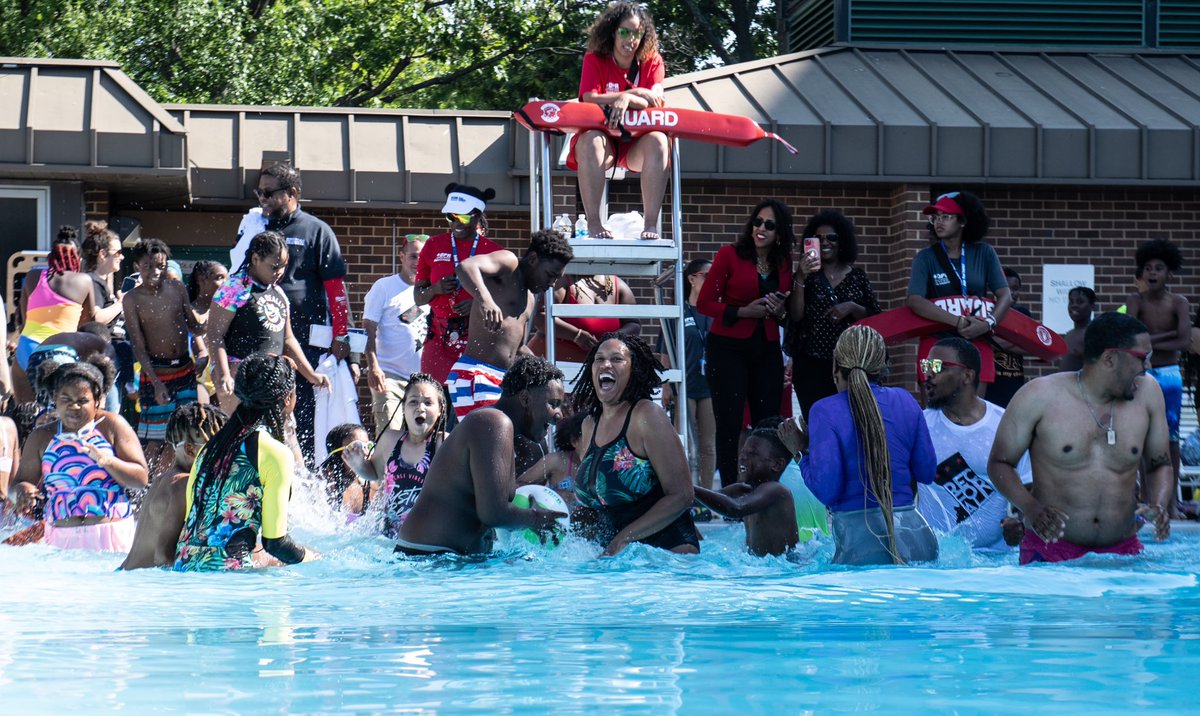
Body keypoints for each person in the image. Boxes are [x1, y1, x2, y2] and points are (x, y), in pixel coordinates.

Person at [989, 312, 1172, 564]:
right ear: (1110, 358)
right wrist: (1031, 508)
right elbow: (999, 463)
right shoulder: (1039, 396)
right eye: (1143, 358)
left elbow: (1160, 464)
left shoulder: (1149, 393)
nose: (1148, 367)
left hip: (1123, 551)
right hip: (1050, 550)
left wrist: (1159, 505)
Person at [777, 325, 939, 565]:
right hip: (917, 537)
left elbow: (827, 491)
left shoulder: (825, 410)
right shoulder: (906, 400)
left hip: (861, 545)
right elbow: (926, 472)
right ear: (884, 367)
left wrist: (801, 452)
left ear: (835, 366)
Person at [396, 356, 567, 556]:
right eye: (553, 404)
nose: (559, 415)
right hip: (427, 559)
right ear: (525, 399)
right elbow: (494, 514)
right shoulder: (494, 422)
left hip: (442, 558)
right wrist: (536, 519)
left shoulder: (496, 425)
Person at [174, 353, 317, 571]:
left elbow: (197, 529)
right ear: (288, 397)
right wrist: (315, 558)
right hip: (230, 578)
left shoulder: (208, 450)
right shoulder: (276, 453)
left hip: (183, 568)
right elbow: (276, 543)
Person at [255, 161, 354, 462]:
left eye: (269, 193)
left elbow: (336, 290)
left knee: (304, 418)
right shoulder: (255, 227)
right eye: (259, 193)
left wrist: (343, 337)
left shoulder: (316, 230)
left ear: (292, 193)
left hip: (307, 345)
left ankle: (305, 476)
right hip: (265, 341)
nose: (262, 199)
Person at [571, 334, 700, 555]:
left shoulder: (647, 415)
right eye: (599, 359)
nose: (606, 364)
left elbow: (682, 495)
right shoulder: (589, 424)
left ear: (634, 369)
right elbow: (602, 502)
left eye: (617, 359)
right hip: (618, 554)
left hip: (666, 552)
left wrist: (623, 539)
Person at [696, 199, 793, 487]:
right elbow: (705, 303)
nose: (761, 228)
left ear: (780, 232)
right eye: (757, 222)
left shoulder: (783, 263)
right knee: (729, 422)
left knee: (769, 421)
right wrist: (741, 311)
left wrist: (781, 308)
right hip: (728, 346)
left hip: (767, 345)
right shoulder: (729, 255)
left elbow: (788, 308)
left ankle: (766, 489)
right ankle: (731, 489)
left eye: (769, 225)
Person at [8, 356, 148, 551]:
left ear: (97, 401)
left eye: (82, 401)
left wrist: (108, 461)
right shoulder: (41, 436)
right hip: (61, 539)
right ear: (54, 399)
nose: (74, 407)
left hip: (110, 535)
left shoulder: (111, 426)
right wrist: (22, 490)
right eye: (66, 400)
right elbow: (16, 485)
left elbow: (141, 479)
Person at [919, 337, 1032, 551]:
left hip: (997, 560)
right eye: (927, 365)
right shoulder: (919, 426)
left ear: (967, 376)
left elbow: (1028, 486)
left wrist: (1019, 522)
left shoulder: (1005, 424)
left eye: (938, 367)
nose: (929, 374)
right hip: (936, 559)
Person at [449, 229, 574, 419]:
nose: (552, 283)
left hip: (500, 379)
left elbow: (518, 349)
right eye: (550, 274)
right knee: (490, 433)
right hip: (476, 374)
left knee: (511, 434)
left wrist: (549, 373)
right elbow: (466, 266)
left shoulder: (530, 299)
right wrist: (485, 300)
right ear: (533, 259)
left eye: (557, 278)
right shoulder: (510, 263)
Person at [572, 1, 668, 240]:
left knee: (659, 141)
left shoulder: (652, 60)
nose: (631, 39)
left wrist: (627, 98)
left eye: (637, 33)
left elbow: (655, 99)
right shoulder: (595, 58)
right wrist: (633, 95)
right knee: (591, 140)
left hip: (636, 144)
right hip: (603, 144)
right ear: (613, 31)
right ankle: (594, 224)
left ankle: (651, 224)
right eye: (625, 32)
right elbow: (589, 97)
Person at [206, 231, 329, 415]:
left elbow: (288, 340)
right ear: (255, 259)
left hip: (273, 377)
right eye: (274, 266)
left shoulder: (278, 293)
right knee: (242, 430)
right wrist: (223, 373)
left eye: (284, 266)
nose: (279, 272)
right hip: (240, 378)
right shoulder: (234, 288)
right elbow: (215, 334)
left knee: (282, 431)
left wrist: (311, 375)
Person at [906, 191, 1012, 389]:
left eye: (946, 217)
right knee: (933, 401)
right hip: (934, 342)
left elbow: (1005, 295)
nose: (939, 222)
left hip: (977, 339)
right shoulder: (925, 257)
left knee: (975, 404)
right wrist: (957, 321)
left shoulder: (985, 252)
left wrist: (988, 324)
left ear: (962, 221)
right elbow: (915, 300)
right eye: (935, 217)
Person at [787, 209, 880, 419]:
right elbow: (795, 315)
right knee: (817, 420)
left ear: (842, 241)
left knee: (851, 420)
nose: (825, 242)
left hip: (850, 365)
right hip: (811, 363)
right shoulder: (806, 278)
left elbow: (875, 317)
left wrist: (852, 307)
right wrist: (800, 276)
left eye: (831, 237)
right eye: (818, 238)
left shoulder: (857, 277)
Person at [120, 403, 228, 570]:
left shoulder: (162, 480)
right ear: (190, 450)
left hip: (128, 573)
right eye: (217, 448)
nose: (224, 455)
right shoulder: (184, 484)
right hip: (146, 580)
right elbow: (163, 556)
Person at [121, 239, 205, 452]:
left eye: (161, 266)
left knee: (186, 433)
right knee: (156, 439)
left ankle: (178, 472)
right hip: (157, 373)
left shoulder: (177, 289)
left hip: (184, 369)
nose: (156, 272)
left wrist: (211, 311)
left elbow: (194, 326)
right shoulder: (132, 299)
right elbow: (138, 345)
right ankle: (148, 475)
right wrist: (156, 383)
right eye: (148, 266)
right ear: (137, 267)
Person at [414, 184, 503, 384]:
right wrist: (436, 289)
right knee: (433, 394)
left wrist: (478, 304)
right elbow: (418, 297)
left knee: (470, 396)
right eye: (451, 217)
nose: (456, 223)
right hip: (438, 338)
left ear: (477, 216)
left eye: (462, 217)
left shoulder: (494, 252)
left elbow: (508, 300)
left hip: (476, 338)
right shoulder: (433, 245)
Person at [1125, 239, 1190, 509]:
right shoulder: (1135, 300)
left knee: (1171, 438)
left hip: (1170, 376)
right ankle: (1147, 499)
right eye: (1148, 268)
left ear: (1169, 274)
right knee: (1141, 436)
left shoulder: (1178, 302)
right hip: (1142, 375)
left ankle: (1171, 502)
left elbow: (1184, 341)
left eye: (1159, 268)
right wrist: (1167, 335)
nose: (1152, 273)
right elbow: (1130, 338)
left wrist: (1149, 340)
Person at [344, 373, 448, 537]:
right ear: (403, 407)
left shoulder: (444, 444)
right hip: (387, 534)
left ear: (440, 409)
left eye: (428, 403)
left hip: (425, 537)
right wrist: (360, 466)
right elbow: (375, 473)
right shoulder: (391, 440)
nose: (420, 408)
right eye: (413, 401)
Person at [658, 258, 716, 493]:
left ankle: (707, 494)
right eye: (707, 276)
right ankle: (686, 492)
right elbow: (665, 352)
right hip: (684, 387)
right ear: (692, 279)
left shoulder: (715, 311)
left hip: (710, 387)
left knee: (708, 446)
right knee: (685, 443)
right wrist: (666, 386)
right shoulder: (678, 312)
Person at [694, 428, 799, 557]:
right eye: (743, 452)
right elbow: (698, 500)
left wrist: (691, 489)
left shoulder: (777, 491)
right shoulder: (744, 490)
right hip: (761, 566)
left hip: (783, 567)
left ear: (777, 465)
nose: (743, 457)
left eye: (753, 454)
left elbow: (736, 509)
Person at [12, 241, 93, 405]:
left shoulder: (32, 276)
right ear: (77, 257)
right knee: (58, 410)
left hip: (27, 346)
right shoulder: (84, 281)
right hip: (61, 351)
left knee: (25, 411)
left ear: (51, 256)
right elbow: (87, 324)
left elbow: (24, 318)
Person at [363, 234, 428, 433]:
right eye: (413, 256)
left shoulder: (432, 290)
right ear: (401, 256)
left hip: (424, 381)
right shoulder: (384, 287)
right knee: (390, 433)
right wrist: (373, 366)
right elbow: (368, 329)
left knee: (421, 438)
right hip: (390, 376)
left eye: (423, 258)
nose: (418, 262)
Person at [532, 273, 640, 363]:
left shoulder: (617, 285)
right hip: (550, 366)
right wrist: (576, 335)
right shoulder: (562, 281)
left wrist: (612, 339)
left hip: (598, 371)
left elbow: (633, 323)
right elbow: (539, 316)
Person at [517, 410, 589, 509]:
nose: (597, 445)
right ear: (574, 441)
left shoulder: (605, 465)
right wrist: (551, 494)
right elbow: (518, 486)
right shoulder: (556, 461)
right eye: (590, 440)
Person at [986, 267, 1034, 408]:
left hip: (1015, 381)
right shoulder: (987, 311)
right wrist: (1019, 340)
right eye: (1007, 288)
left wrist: (997, 343)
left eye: (1015, 288)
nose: (1012, 292)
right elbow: (987, 345)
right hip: (991, 384)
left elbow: (1032, 347)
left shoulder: (1023, 314)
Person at [187, 260, 229, 403]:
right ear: (201, 280)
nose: (225, 283)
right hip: (199, 378)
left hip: (222, 374)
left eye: (226, 278)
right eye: (219, 278)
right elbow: (196, 338)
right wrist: (202, 353)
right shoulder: (190, 311)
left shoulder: (227, 312)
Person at [321, 423, 369, 518]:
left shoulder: (369, 484)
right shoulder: (322, 483)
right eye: (357, 446)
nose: (366, 452)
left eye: (368, 446)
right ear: (338, 452)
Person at [1058, 286, 1097, 373]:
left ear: (1092, 306)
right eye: (1071, 302)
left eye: (1080, 302)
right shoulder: (1069, 334)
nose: (1074, 305)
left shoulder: (1092, 334)